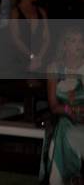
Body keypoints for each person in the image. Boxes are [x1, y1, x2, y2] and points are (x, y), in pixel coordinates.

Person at [40, 26, 84, 184]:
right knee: (64, 127)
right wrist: (69, 110)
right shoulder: (54, 68)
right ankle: (64, 178)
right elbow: (53, 105)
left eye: (81, 41)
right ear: (64, 45)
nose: (78, 45)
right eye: (73, 41)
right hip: (63, 115)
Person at [9, 0, 50, 72]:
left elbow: (47, 38)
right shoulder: (15, 12)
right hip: (21, 58)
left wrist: (39, 57)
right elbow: (15, 38)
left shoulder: (41, 12)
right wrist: (32, 56)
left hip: (41, 58)